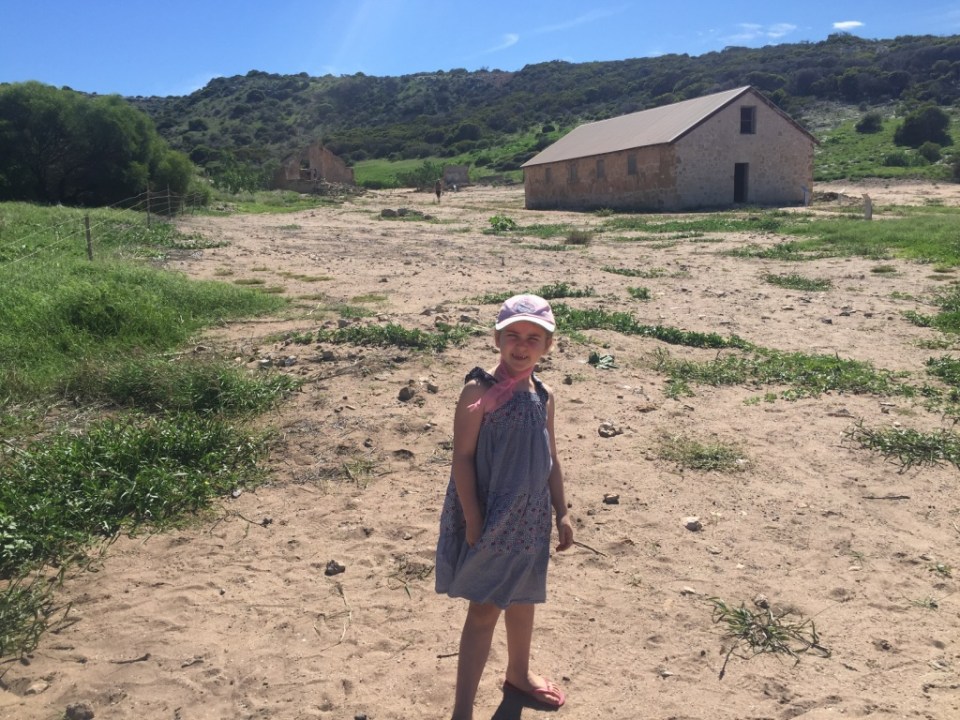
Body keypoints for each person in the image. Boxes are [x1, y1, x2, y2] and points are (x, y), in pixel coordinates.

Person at [435, 294, 574, 719]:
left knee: (523, 596)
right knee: (484, 609)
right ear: (496, 338)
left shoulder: (544, 394)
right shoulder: (479, 390)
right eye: (512, 335)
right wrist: (474, 518)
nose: (521, 345)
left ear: (548, 346)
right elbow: (461, 457)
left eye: (534, 337)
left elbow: (551, 454)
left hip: (531, 518)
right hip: (493, 516)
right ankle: (462, 710)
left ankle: (518, 672)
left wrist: (562, 510)